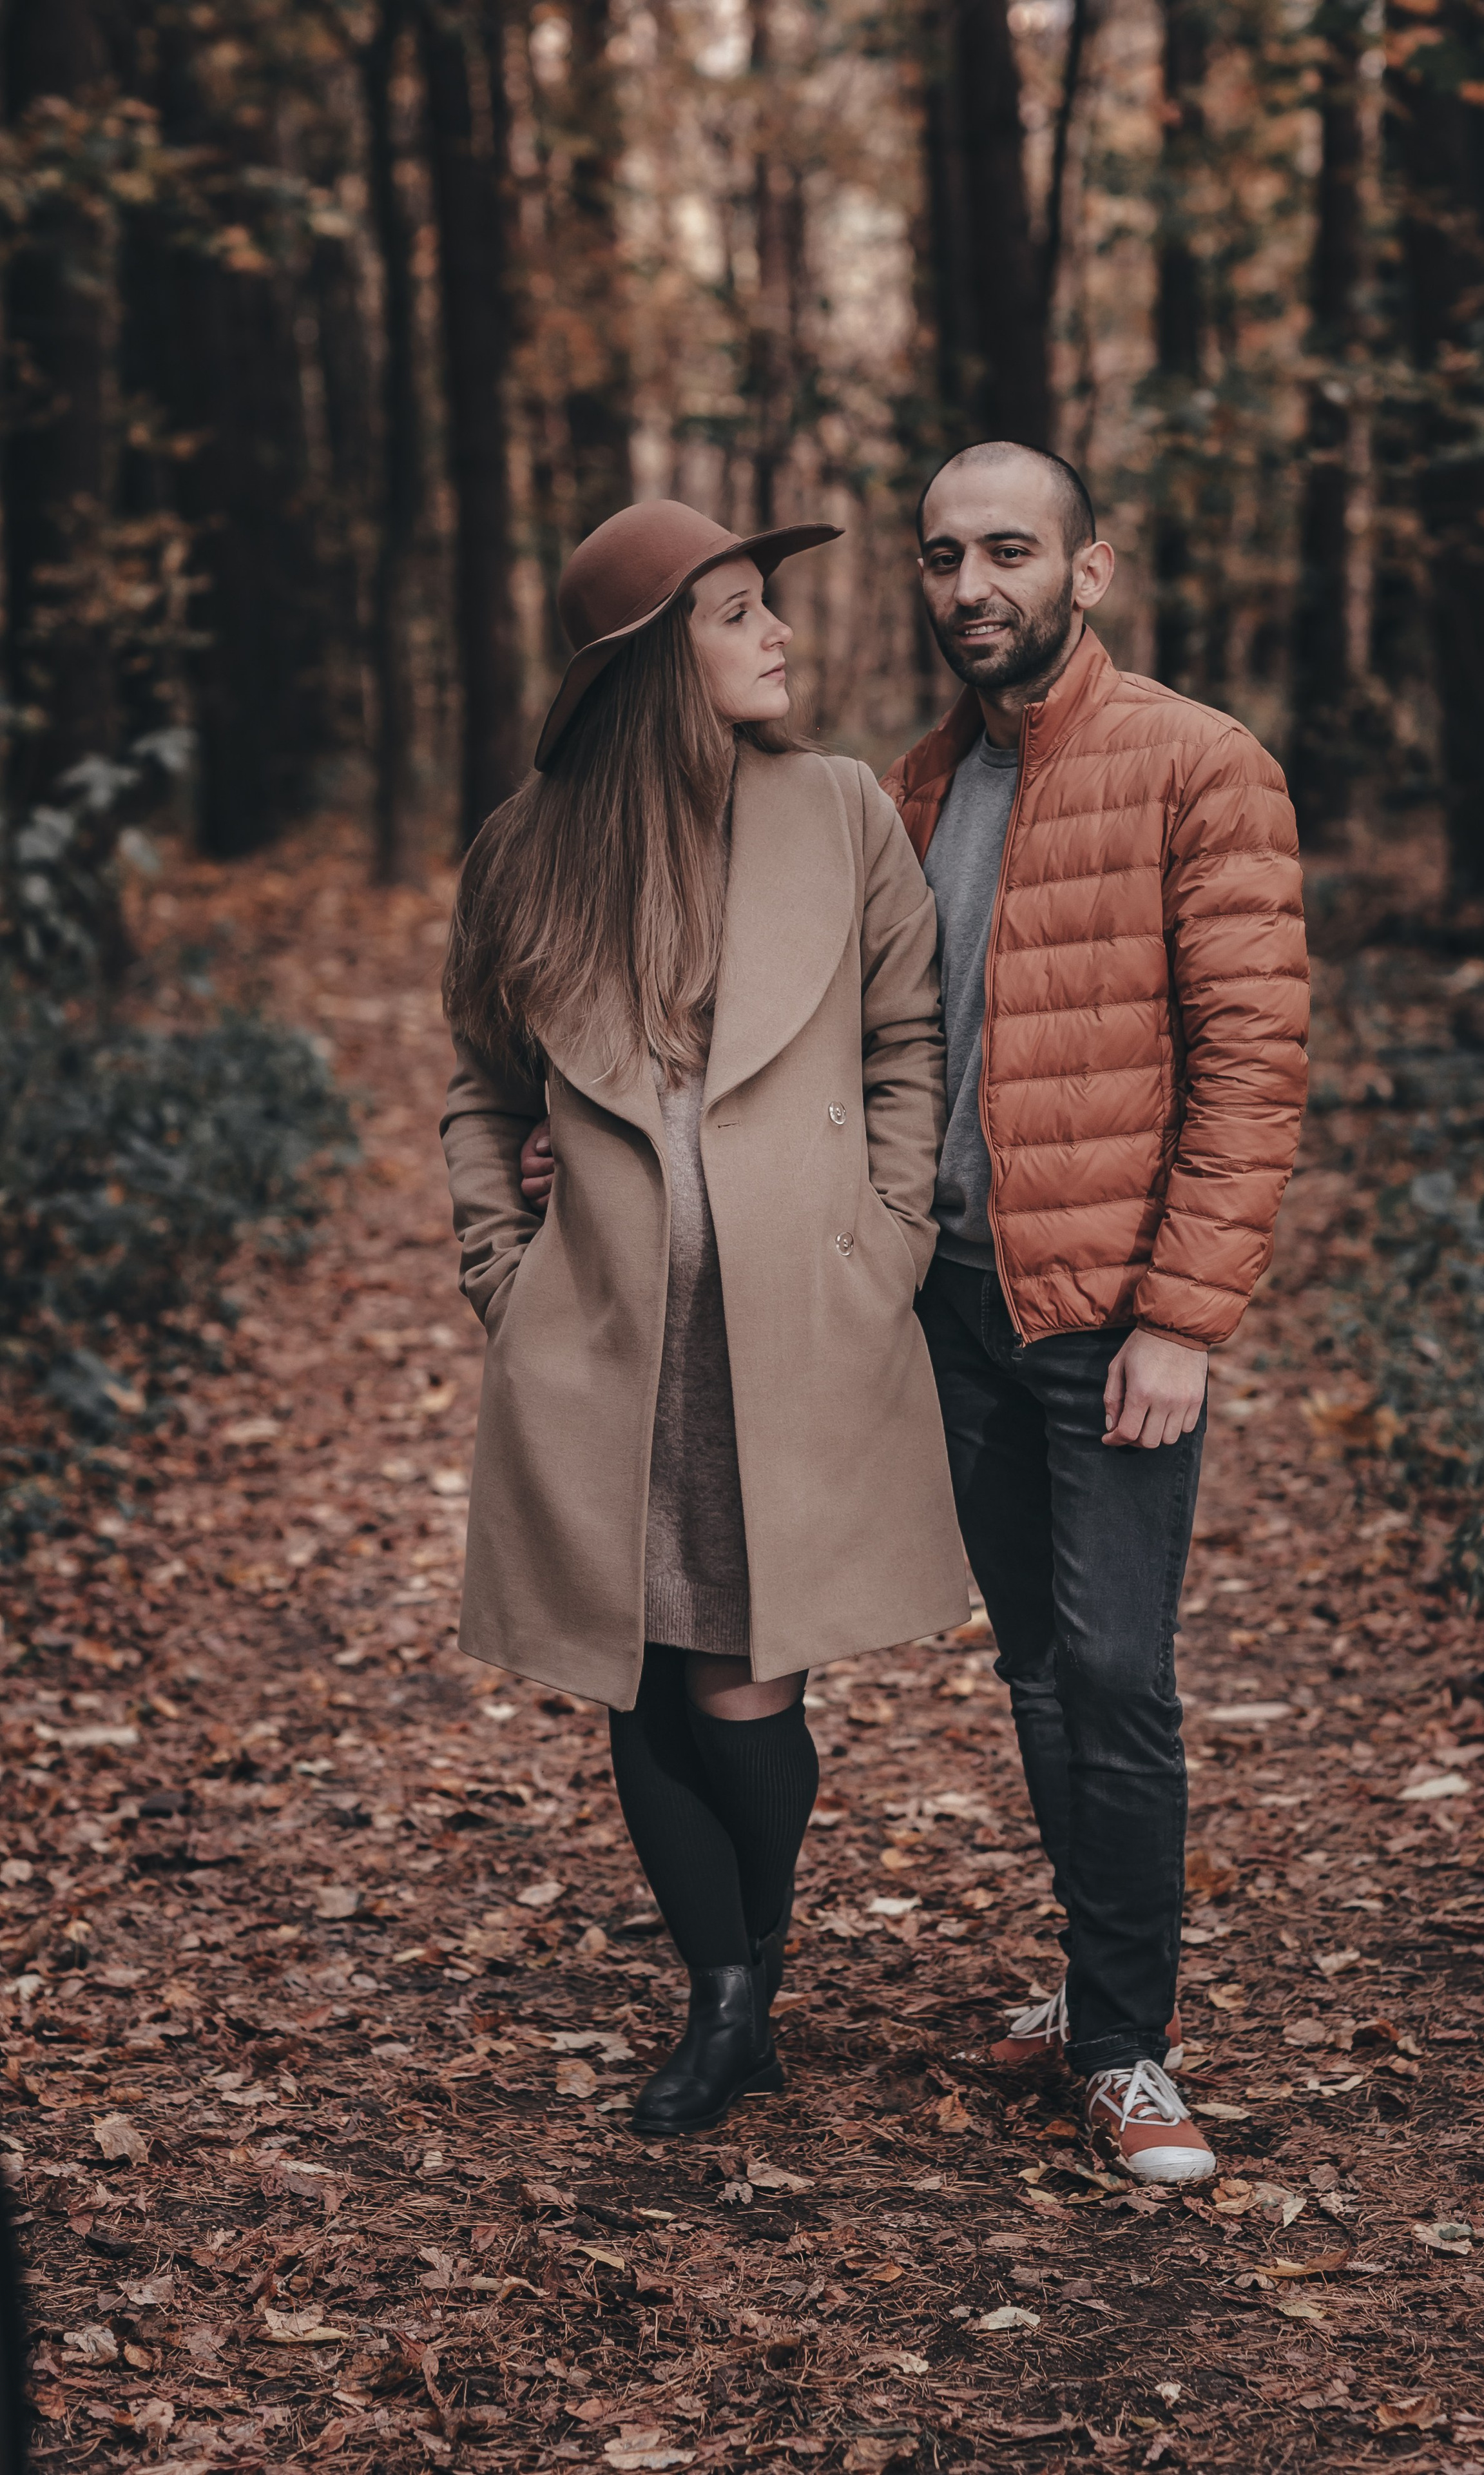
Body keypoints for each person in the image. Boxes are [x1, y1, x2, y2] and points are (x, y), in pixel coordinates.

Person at [441, 499, 968, 2140]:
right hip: (602, 1340)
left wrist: (883, 1240)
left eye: (767, 605)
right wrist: (499, 1266)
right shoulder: (528, 847)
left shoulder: (836, 811)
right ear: (656, 659)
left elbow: (905, 1041)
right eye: (736, 612)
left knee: (746, 1684)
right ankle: (724, 1997)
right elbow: (475, 1078)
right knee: (641, 1677)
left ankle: (756, 1966)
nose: (777, 634)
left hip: (793, 1328)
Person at [885, 441, 1309, 2185]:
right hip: (962, 1313)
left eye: (1008, 550)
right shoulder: (915, 786)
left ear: (1091, 570)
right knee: (1044, 1672)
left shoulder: (1198, 768)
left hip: (1112, 1319)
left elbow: (1254, 1059)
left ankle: (1129, 2048)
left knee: (1119, 1674)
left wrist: (1183, 1318)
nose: (972, 585)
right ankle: (1096, 1983)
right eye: (941, 557)